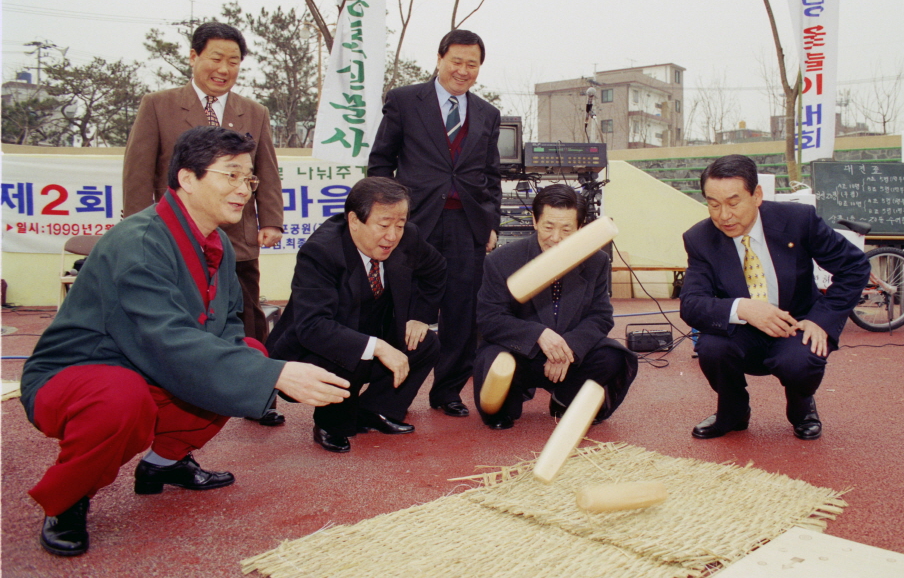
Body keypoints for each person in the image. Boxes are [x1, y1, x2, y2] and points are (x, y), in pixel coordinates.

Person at [19, 126, 350, 557]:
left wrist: (259, 366)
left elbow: (228, 323)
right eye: (230, 175)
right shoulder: (138, 241)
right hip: (79, 374)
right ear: (187, 179)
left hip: (149, 366)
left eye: (249, 179)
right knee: (124, 397)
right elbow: (167, 341)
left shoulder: (218, 245)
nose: (244, 189)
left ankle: (164, 464)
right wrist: (278, 373)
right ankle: (67, 501)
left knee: (245, 354)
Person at [123, 21, 285, 426]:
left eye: (234, 61)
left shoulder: (254, 112)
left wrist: (272, 220)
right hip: (175, 235)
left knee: (247, 313)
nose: (224, 68)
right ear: (194, 57)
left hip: (238, 233)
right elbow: (139, 170)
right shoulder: (159, 105)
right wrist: (136, 224)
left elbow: (267, 168)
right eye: (216, 57)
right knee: (177, 313)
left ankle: (257, 392)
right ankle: (170, 388)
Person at [679, 154, 869, 440]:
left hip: (797, 323)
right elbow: (691, 304)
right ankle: (733, 411)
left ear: (757, 195)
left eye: (733, 202)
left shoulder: (798, 220)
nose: (723, 215)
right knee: (711, 348)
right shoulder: (700, 238)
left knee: (801, 360)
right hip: (741, 331)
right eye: (713, 204)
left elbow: (854, 267)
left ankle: (802, 406)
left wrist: (822, 320)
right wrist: (743, 308)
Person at [367, 29, 502, 419]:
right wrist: (388, 216)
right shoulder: (405, 101)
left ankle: (447, 391)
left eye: (472, 64)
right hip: (413, 223)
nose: (463, 70)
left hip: (467, 225)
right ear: (440, 59)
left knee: (462, 312)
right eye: (456, 61)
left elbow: (490, 176)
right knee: (401, 306)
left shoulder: (488, 114)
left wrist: (489, 222)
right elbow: (380, 161)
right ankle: (390, 391)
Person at [266, 177, 446, 453]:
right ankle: (330, 424)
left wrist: (420, 316)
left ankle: (376, 410)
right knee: (351, 349)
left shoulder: (408, 237)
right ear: (353, 221)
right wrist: (378, 347)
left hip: (374, 325)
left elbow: (436, 269)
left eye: (399, 224)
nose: (393, 236)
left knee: (424, 343)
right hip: (316, 346)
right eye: (384, 225)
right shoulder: (320, 253)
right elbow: (313, 327)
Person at [472, 184, 638, 429]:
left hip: (568, 358)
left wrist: (568, 347)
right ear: (535, 221)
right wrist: (539, 335)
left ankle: (564, 399)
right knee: (496, 370)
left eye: (566, 229)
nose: (556, 237)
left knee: (613, 357)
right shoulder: (501, 261)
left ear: (580, 227)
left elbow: (601, 316)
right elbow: (490, 318)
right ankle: (507, 406)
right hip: (520, 354)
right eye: (549, 226)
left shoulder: (597, 261)